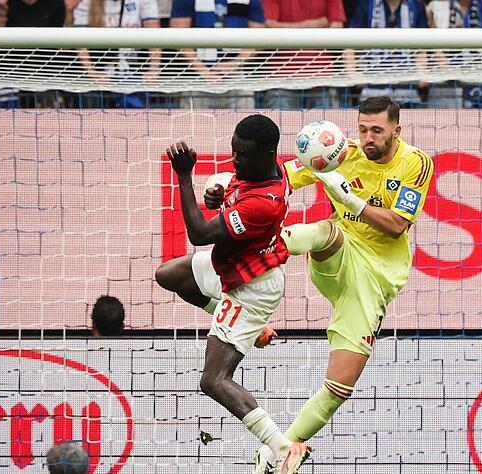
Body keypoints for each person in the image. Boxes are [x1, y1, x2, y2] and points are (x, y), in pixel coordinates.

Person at [206, 96, 434, 472]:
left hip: (375, 279)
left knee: (339, 388)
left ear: (397, 129)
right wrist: (219, 183)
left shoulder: (416, 163)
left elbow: (397, 225)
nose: (368, 137)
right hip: (338, 253)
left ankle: (279, 451)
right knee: (325, 231)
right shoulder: (338, 153)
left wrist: (351, 200)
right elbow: (274, 176)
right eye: (362, 128)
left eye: (377, 130)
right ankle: (234, 279)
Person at [155, 114, 308, 474]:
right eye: (233, 151)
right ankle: (253, 330)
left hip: (250, 289)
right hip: (233, 267)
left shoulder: (263, 204)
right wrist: (217, 192)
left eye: (243, 155)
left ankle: (282, 446)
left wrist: (184, 175)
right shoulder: (265, 170)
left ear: (267, 153)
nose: (235, 160)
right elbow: (226, 194)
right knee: (169, 276)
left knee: (213, 380)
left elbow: (198, 233)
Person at [169, 0, 264, 109]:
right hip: (196, 76)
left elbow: (258, 37)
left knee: (246, 121)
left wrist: (233, 64)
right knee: (194, 124)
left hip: (237, 76)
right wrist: (203, 71)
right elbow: (179, 37)